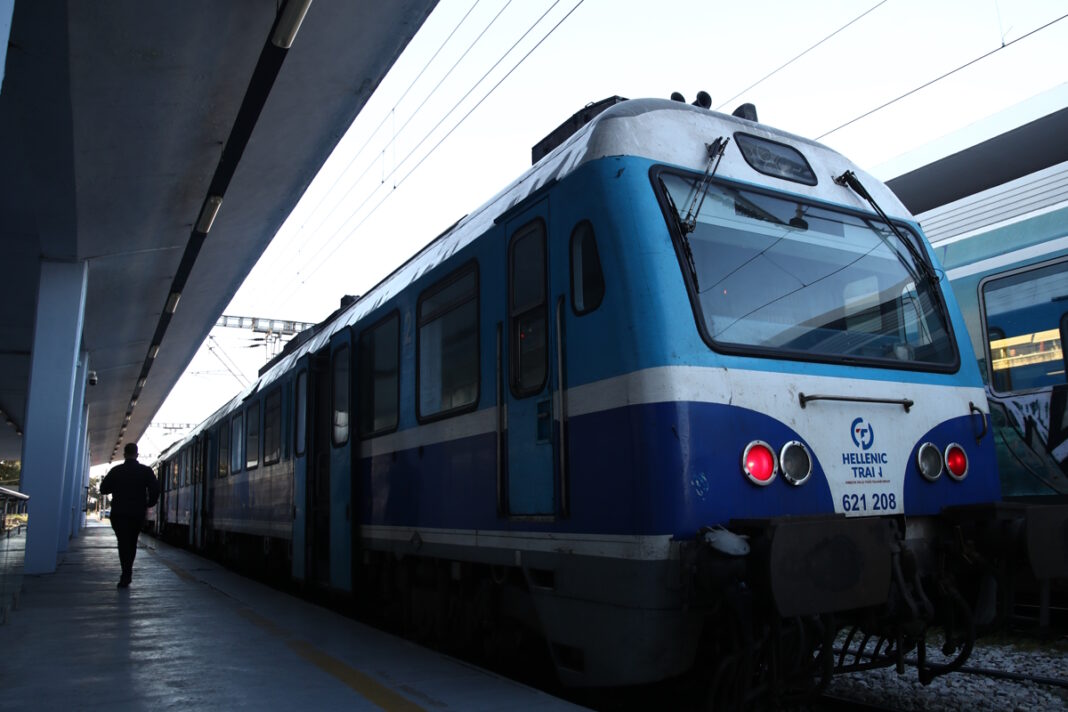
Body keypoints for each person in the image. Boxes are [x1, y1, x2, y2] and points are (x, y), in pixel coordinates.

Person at [100, 443, 159, 588]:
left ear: (124, 454)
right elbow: (155, 488)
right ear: (137, 454)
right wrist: (150, 503)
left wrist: (117, 486)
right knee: (132, 542)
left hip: (119, 513)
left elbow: (103, 489)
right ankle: (127, 572)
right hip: (137, 513)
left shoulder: (116, 471)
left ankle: (125, 573)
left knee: (123, 543)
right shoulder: (145, 471)